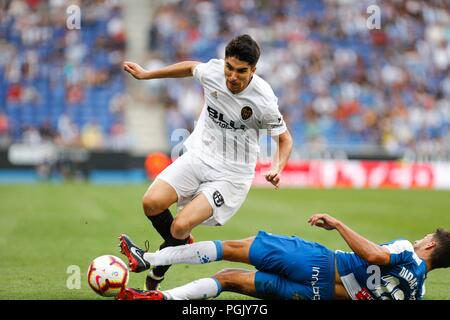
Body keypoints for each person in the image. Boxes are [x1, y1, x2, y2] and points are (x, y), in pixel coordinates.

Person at [121, 34, 293, 290]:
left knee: (179, 226)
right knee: (151, 203)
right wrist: (148, 75)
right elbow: (191, 67)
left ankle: (156, 270)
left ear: (253, 70)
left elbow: (285, 140)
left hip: (231, 176)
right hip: (199, 155)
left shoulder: (263, 100)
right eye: (229, 68)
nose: (232, 76)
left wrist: (276, 168)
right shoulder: (213, 72)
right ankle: (180, 244)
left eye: (241, 71)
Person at [117, 213, 450, 300]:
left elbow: (375, 255)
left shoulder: (407, 250)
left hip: (317, 262)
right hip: (314, 294)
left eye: (427, 237)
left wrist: (338, 225)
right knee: (227, 281)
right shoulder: (416, 293)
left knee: (232, 248)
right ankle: (161, 297)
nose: (422, 238)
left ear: (431, 246)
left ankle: (150, 260)